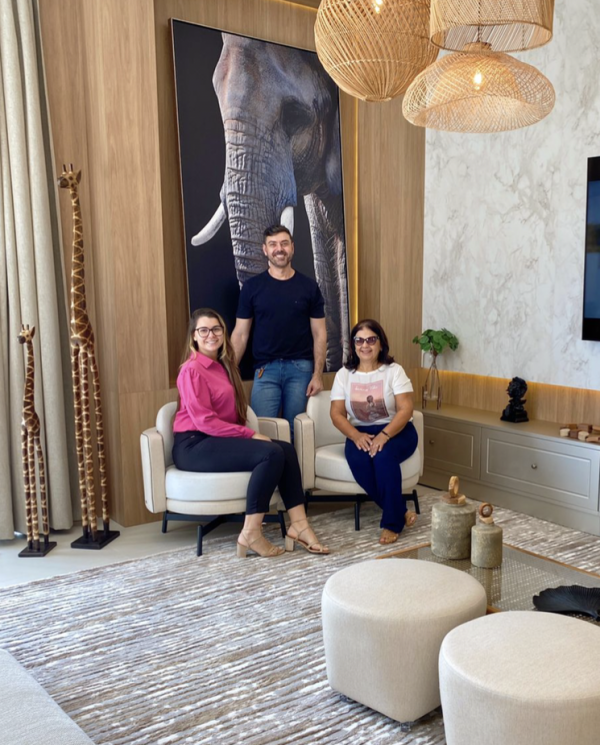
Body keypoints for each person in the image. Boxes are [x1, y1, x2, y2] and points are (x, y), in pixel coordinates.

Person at [172, 308, 329, 558]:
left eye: (216, 329)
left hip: (215, 440)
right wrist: (250, 435)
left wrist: (245, 435)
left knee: (286, 449)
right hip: (194, 445)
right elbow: (205, 422)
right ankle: (251, 532)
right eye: (204, 330)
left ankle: (300, 526)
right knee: (271, 453)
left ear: (223, 332)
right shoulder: (191, 370)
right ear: (194, 336)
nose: (211, 335)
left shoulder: (222, 366)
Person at [231, 225, 327, 439]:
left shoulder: (309, 287)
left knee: (297, 431)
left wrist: (317, 375)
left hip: (301, 370)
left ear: (292, 247)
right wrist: (227, 373)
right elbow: (240, 334)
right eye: (273, 244)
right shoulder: (252, 288)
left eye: (284, 243)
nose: (279, 249)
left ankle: (296, 464)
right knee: (263, 430)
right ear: (265, 250)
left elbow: (320, 334)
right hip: (265, 371)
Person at [330, 319, 418, 545]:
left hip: (397, 430)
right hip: (359, 432)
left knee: (383, 455)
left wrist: (385, 435)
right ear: (353, 345)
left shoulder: (394, 371)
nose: (365, 345)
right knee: (359, 461)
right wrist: (355, 435)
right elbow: (336, 413)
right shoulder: (344, 375)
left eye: (371, 339)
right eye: (359, 340)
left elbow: (406, 409)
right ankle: (400, 510)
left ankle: (392, 523)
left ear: (380, 343)